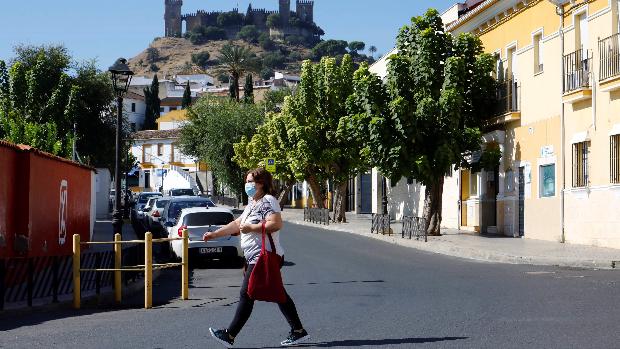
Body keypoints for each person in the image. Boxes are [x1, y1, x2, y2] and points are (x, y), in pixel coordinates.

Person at [204, 168, 309, 348]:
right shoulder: (253, 203)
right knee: (278, 293)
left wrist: (251, 229)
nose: (247, 185)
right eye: (246, 181)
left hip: (264, 256)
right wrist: (215, 234)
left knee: (246, 294)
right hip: (255, 256)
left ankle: (230, 335)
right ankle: (298, 331)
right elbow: (237, 224)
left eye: (250, 181)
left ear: (261, 183)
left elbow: (276, 224)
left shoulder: (268, 200)